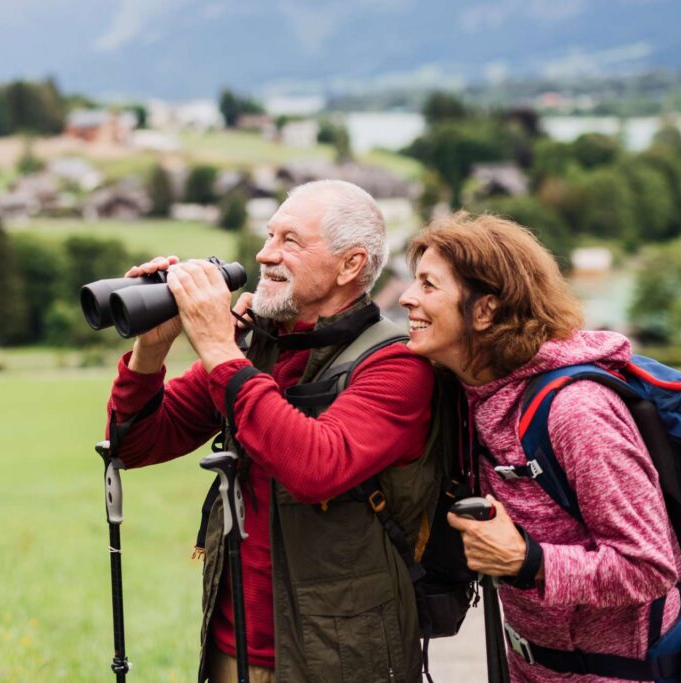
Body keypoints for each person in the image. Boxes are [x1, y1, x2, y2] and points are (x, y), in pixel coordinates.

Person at [106, 180, 436, 682]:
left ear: (351, 264)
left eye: (290, 242)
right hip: (231, 649)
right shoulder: (257, 347)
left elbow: (316, 467)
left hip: (339, 661)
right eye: (268, 236)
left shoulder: (395, 365)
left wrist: (218, 346)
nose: (265, 255)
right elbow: (133, 445)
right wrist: (151, 349)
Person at [398, 212, 681, 683]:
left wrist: (530, 562)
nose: (407, 297)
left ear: (485, 311)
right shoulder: (470, 392)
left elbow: (650, 565)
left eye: (428, 285)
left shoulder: (577, 413)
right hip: (530, 667)